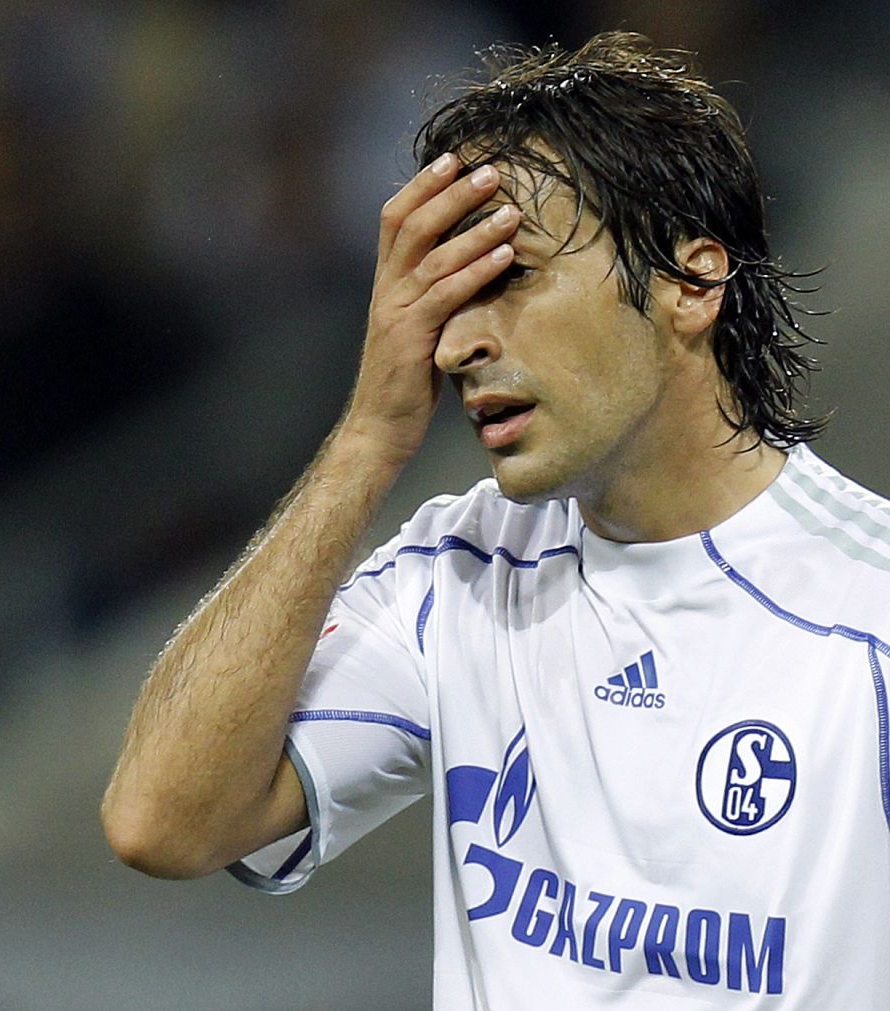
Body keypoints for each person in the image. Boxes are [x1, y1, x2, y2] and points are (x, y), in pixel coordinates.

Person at [101, 32, 890, 1007]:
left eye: (510, 277)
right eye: (450, 298)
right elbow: (160, 822)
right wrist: (365, 439)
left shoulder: (868, 621)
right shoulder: (460, 568)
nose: (459, 344)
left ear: (691, 283)